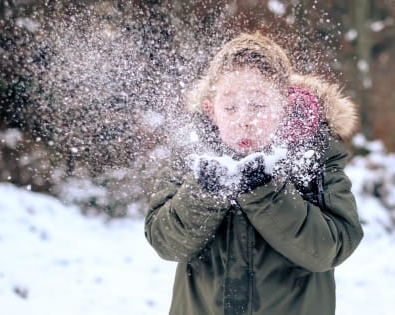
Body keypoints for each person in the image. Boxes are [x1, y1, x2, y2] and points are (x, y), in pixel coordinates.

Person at [144, 32, 364, 315]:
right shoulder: (194, 157)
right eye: (230, 107)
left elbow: (330, 249)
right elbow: (165, 242)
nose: (244, 120)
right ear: (212, 111)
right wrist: (205, 192)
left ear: (284, 107)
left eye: (258, 105)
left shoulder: (314, 154)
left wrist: (266, 192)